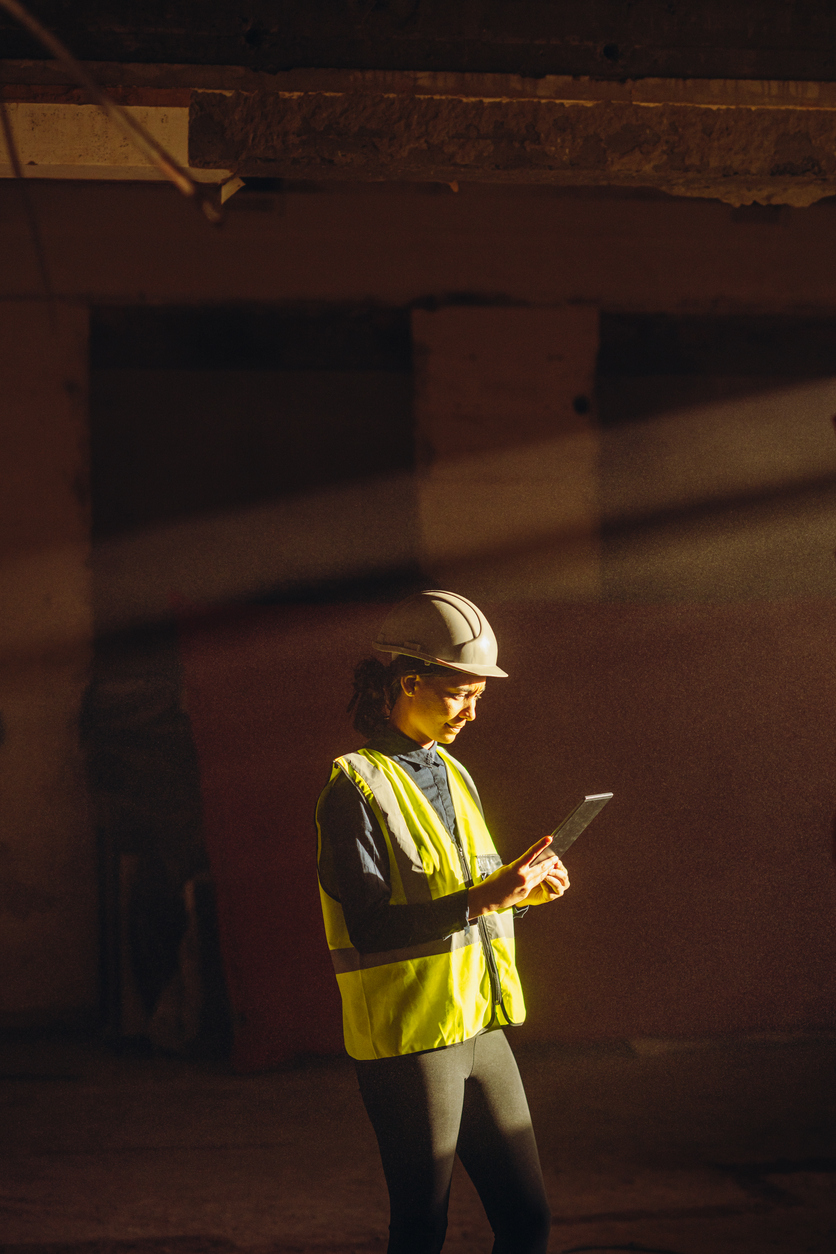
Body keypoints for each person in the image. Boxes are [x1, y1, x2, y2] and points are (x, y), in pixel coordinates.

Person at [315, 590, 570, 1254]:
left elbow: (457, 890)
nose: (473, 711)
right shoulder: (354, 787)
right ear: (409, 682)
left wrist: (520, 893)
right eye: (462, 694)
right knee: (421, 1228)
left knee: (527, 1220)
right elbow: (371, 926)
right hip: (411, 1042)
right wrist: (486, 897)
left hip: (480, 1027)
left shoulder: (453, 773)